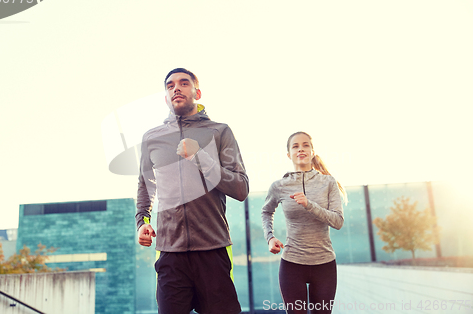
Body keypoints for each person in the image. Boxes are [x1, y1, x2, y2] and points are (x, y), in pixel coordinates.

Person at [136, 68, 249, 314]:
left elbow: (241, 188)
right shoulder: (151, 138)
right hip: (169, 253)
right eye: (170, 85)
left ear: (197, 92)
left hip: (213, 249)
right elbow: (145, 185)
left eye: (183, 83)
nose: (176, 88)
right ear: (166, 97)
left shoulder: (219, 131)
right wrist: (142, 222)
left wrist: (200, 157)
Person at [261, 131, 346, 314]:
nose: (301, 149)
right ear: (289, 154)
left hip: (324, 264)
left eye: (306, 145)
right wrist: (270, 237)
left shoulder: (328, 183)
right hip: (292, 264)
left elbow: (338, 221)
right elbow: (266, 211)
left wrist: (309, 205)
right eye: (295, 146)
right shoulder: (279, 186)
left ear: (312, 151)